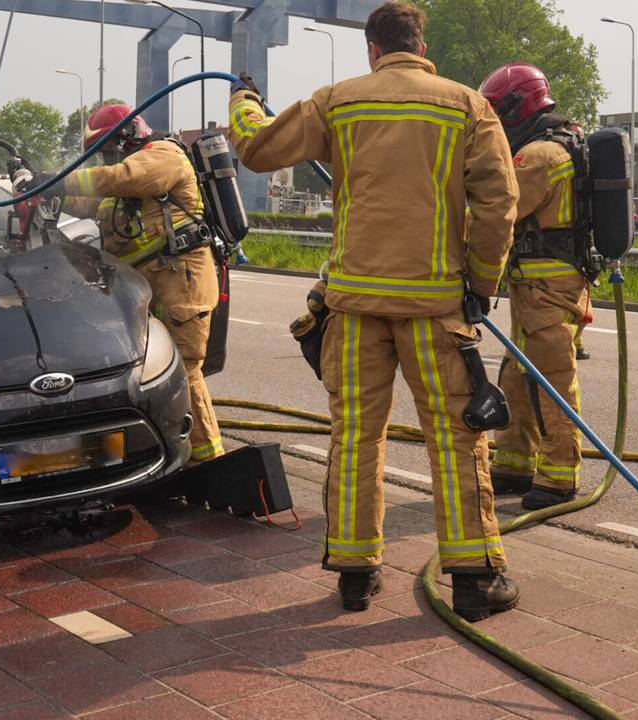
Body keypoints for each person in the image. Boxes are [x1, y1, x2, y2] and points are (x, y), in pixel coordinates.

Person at [227, 1, 521, 621]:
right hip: (435, 306)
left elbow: (254, 149)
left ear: (372, 49)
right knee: (456, 440)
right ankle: (473, 579)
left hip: (355, 308)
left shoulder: (339, 100)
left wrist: (243, 101)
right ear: (421, 42)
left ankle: (356, 574)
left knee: (357, 435)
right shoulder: (468, 105)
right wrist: (482, 282)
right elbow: (498, 203)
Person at [14, 104, 225, 464]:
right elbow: (88, 201)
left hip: (180, 282)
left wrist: (56, 178)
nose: (104, 160)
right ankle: (162, 455)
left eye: (107, 150)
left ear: (126, 137)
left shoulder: (164, 156)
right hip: (140, 291)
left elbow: (124, 176)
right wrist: (41, 187)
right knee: (147, 376)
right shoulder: (119, 183)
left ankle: (209, 463)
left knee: (183, 371)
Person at [478, 63, 590, 511]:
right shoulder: (559, 143)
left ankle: (560, 476)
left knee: (550, 381)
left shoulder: (538, 156)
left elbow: (498, 211)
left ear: (514, 105)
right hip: (540, 285)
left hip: (547, 286)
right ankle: (514, 463)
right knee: (518, 376)